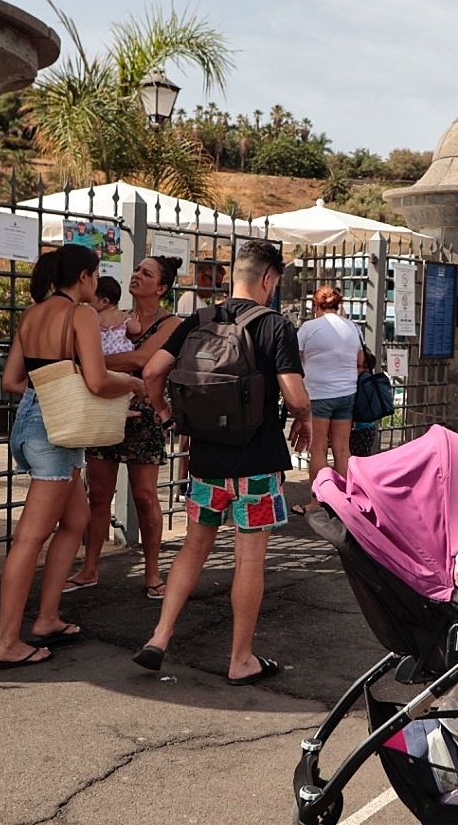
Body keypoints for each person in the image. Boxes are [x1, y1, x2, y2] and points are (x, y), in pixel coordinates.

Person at [133, 240, 312, 684]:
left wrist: (165, 412)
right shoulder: (275, 326)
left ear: (237, 274)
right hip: (255, 463)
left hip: (205, 460)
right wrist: (304, 417)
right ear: (268, 279)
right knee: (249, 559)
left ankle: (159, 636)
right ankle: (241, 659)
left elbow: (153, 371)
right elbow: (294, 396)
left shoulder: (199, 319)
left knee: (194, 548)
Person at [0, 245, 145, 669]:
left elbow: (12, 380)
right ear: (84, 277)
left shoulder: (32, 314)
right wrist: (132, 385)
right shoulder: (80, 313)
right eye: (95, 276)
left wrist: (52, 398)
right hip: (54, 436)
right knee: (29, 537)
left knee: (76, 521)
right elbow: (96, 380)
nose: (96, 286)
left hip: (30, 423)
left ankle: (46, 618)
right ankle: (7, 642)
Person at [68, 256, 184, 600]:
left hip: (144, 413)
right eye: (136, 270)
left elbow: (141, 359)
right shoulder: (116, 317)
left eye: (146, 273)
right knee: (99, 494)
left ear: (161, 288)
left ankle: (152, 573)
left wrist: (92, 363)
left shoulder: (172, 323)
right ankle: (89, 569)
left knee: (146, 496)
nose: (136, 276)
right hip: (105, 409)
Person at [293, 285, 365, 516]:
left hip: (318, 394)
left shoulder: (309, 328)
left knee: (319, 449)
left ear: (316, 306)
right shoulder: (353, 328)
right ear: (339, 305)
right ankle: (344, 502)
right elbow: (361, 360)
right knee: (343, 449)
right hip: (346, 393)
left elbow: (295, 359)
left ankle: (317, 503)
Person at [92, 275, 131, 355]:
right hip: (122, 352)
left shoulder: (96, 316)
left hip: (102, 353)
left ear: (105, 301)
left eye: (91, 299)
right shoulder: (123, 315)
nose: (88, 303)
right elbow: (136, 329)